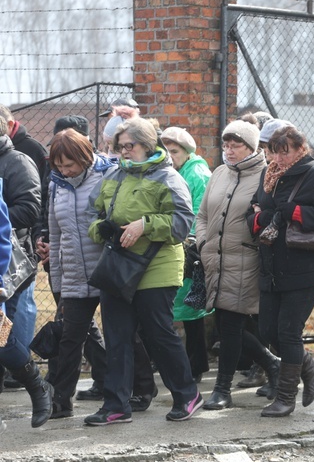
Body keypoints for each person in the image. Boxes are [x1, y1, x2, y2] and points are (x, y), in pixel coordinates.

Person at [85, 117, 203, 425]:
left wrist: (145, 225)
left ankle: (187, 394)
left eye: (130, 146)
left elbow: (181, 224)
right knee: (117, 336)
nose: (124, 152)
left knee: (158, 334)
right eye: (120, 146)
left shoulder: (168, 177)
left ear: (148, 146)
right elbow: (93, 213)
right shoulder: (113, 175)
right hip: (118, 265)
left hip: (157, 266)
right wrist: (101, 229)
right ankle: (116, 405)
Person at [249, 126, 314, 417]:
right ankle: (310, 368)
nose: (277, 156)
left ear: (300, 149)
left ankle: (285, 397)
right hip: (272, 267)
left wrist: (295, 212)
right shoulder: (269, 177)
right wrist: (259, 219)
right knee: (268, 331)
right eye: (273, 150)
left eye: (284, 150)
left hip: (306, 269)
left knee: (288, 332)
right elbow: (254, 213)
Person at [196, 120, 280, 410]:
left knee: (231, 325)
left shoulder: (266, 175)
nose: (229, 151)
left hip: (246, 260)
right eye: (226, 145)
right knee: (227, 324)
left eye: (236, 146)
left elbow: (268, 217)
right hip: (214, 260)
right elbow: (203, 213)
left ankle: (222, 389)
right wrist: (202, 240)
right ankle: (273, 364)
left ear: (252, 146)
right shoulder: (219, 173)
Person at [46, 129, 116, 419]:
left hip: (108, 273)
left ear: (84, 157)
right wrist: (58, 282)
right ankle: (61, 401)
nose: (65, 171)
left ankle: (137, 391)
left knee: (122, 335)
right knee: (70, 340)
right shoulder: (56, 185)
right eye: (59, 166)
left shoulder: (108, 176)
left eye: (69, 165)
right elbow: (56, 234)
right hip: (74, 275)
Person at [0, 118, 52, 429]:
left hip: (8, 269)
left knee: (1, 338)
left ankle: (37, 386)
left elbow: (6, 231)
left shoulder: (17, 161)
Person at [160, 126, 213, 384]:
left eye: (175, 151)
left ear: (186, 151)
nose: (170, 155)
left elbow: (199, 210)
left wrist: (187, 240)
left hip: (190, 248)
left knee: (192, 309)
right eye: (166, 150)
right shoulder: (177, 171)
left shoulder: (197, 174)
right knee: (186, 308)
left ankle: (196, 365)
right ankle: (192, 363)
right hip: (178, 245)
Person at [0, 114, 41, 392]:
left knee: (8, 330)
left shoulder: (18, 162)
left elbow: (30, 209)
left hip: (14, 261)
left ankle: (28, 379)